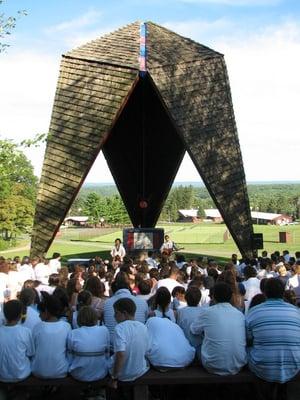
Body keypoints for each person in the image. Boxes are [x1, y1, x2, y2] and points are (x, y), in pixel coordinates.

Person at [246, 278, 300, 383]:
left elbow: (247, 338)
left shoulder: (254, 311)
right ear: (283, 293)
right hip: (294, 365)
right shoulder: (296, 312)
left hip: (262, 366)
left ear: (264, 292)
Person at [190, 282, 247, 375]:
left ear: (213, 297)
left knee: (196, 346)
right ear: (231, 296)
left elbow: (193, 330)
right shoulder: (239, 314)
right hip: (238, 364)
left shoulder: (207, 312)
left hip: (212, 365)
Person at [109, 298, 149, 389]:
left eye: (116, 313)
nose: (114, 316)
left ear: (124, 313)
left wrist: (114, 378)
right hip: (139, 371)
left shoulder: (119, 328)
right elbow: (146, 349)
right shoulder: (143, 327)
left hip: (123, 374)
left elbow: (120, 354)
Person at [31, 293, 71, 378]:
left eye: (40, 312)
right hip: (61, 371)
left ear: (46, 312)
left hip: (38, 371)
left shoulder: (38, 327)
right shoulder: (66, 326)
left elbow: (32, 350)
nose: (39, 315)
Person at [68, 306, 110, 381]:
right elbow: (107, 354)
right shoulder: (104, 330)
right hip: (101, 373)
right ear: (95, 318)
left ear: (79, 318)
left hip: (78, 374)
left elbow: (70, 357)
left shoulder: (73, 333)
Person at [0, 299, 34, 382]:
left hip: (2, 375)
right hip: (22, 374)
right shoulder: (26, 331)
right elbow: (31, 353)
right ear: (20, 315)